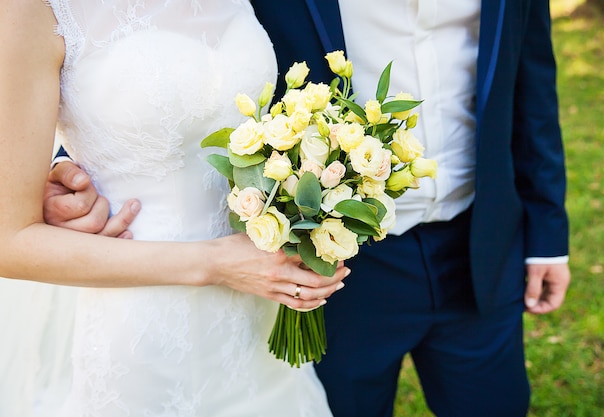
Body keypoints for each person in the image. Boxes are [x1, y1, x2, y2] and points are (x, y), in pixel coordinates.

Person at [44, 0, 572, 416]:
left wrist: (547, 228)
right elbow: (165, 56)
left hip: (484, 243)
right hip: (330, 265)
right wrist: (83, 158)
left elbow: (531, 75)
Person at [0, 1, 351, 416]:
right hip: (139, 335)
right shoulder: (31, 10)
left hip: (263, 312)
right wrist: (216, 263)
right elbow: (10, 240)